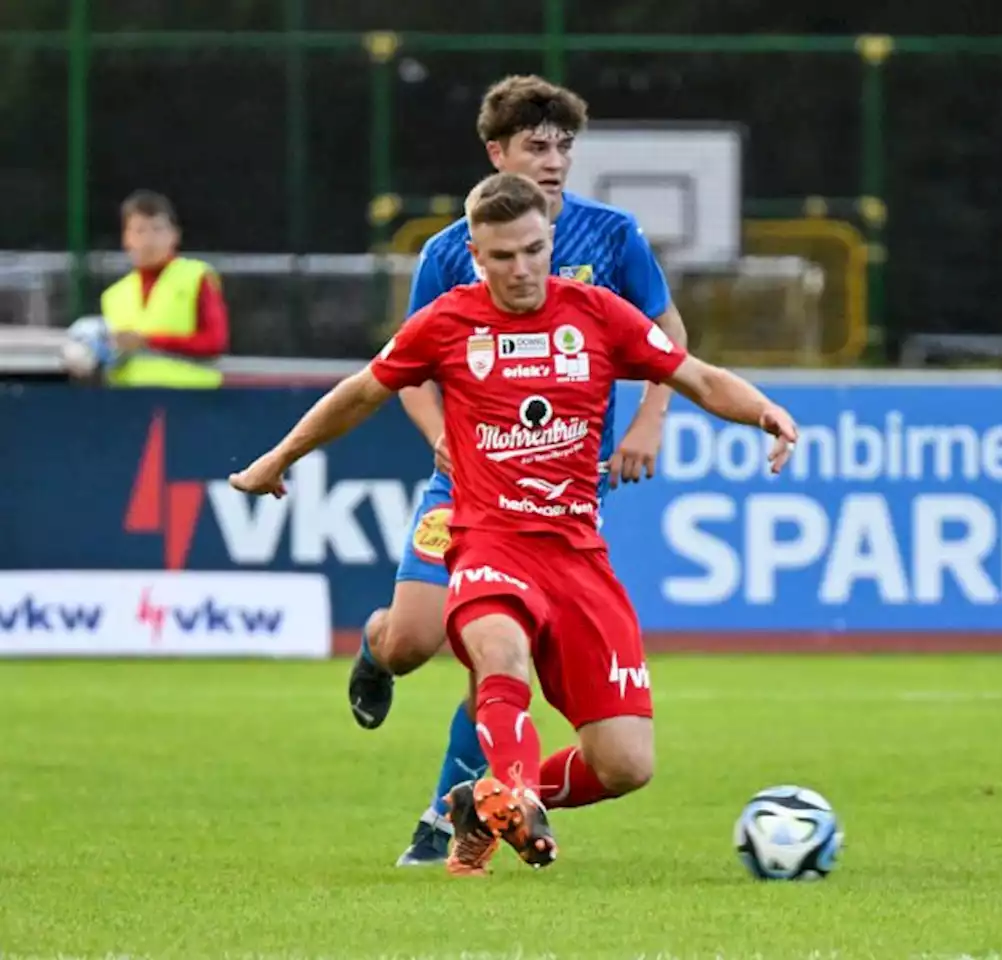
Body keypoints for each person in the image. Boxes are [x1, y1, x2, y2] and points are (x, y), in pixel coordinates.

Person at [228, 172, 797, 876]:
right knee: (499, 655)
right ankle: (515, 792)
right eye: (502, 256)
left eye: (532, 250)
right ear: (474, 252)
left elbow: (698, 377)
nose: (521, 268)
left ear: (550, 240)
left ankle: (481, 799)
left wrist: (764, 410)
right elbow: (361, 392)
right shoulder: (446, 323)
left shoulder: (598, 313)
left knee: (625, 764)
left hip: (579, 554)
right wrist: (280, 457)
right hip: (488, 541)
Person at [346, 74, 689, 867]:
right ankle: (374, 645)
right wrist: (439, 435)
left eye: (565, 144)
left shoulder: (612, 238)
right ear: (495, 152)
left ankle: (452, 819)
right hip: (464, 482)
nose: (556, 158)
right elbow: (407, 367)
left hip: (561, 492)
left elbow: (668, 333)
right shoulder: (448, 252)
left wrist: (648, 418)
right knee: (412, 642)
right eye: (537, 144)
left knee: (501, 651)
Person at [95, 190, 229, 388]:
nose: (148, 240)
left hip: (190, 399)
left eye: (157, 229)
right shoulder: (114, 295)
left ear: (175, 235)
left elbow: (215, 341)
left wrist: (148, 341)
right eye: (139, 231)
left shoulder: (196, 277)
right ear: (126, 238)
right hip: (129, 403)